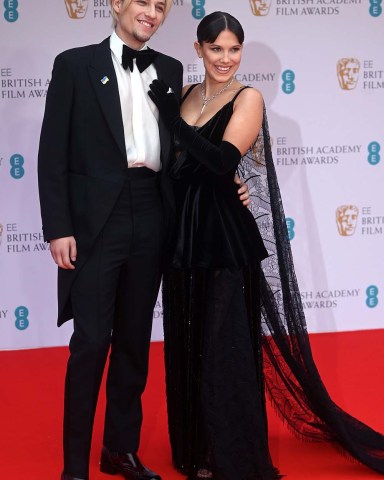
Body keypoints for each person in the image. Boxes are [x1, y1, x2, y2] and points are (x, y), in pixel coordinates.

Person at [148, 11, 384, 480]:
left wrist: (173, 121)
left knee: (225, 351)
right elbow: (175, 169)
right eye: (215, 48)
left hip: (224, 239)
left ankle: (233, 456)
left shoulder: (248, 98)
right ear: (198, 50)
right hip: (181, 239)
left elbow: (220, 161)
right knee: (187, 345)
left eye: (234, 49)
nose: (225, 58)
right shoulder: (190, 94)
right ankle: (197, 454)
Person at [38, 2, 248, 479]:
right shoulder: (74, 64)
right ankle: (75, 466)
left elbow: (189, 146)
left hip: (154, 212)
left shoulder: (172, 70)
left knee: (134, 340)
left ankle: (120, 449)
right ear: (117, 4)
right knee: (91, 341)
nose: (151, 13)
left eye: (160, 5)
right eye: (142, 2)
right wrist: (58, 227)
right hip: (96, 221)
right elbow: (52, 153)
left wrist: (230, 182)